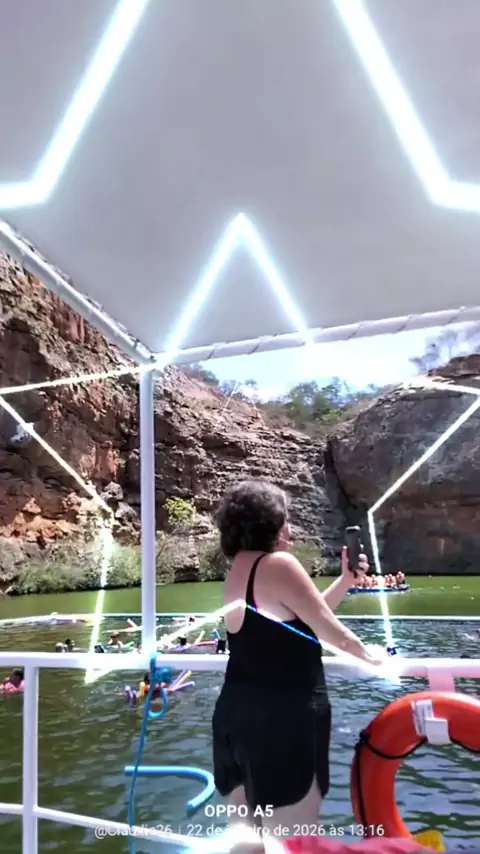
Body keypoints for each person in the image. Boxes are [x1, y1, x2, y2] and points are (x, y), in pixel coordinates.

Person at [212, 480, 385, 836]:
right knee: (294, 841)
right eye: (286, 519)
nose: (291, 528)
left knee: (245, 839)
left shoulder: (239, 568)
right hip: (282, 725)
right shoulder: (280, 564)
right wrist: (376, 660)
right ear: (273, 524)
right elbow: (333, 633)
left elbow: (302, 619)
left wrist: (345, 581)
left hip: (235, 719)